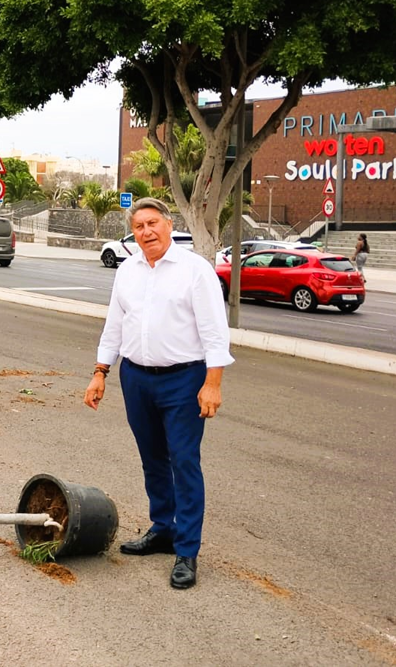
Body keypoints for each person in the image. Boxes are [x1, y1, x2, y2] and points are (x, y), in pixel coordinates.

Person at [84, 198, 232, 590]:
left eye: (153, 223)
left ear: (169, 224)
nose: (147, 231)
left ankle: (187, 550)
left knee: (184, 461)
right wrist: (100, 373)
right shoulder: (128, 270)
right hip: (136, 377)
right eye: (139, 226)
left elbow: (215, 332)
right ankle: (163, 528)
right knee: (152, 458)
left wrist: (212, 383)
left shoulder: (195, 270)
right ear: (133, 233)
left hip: (184, 379)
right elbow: (114, 325)